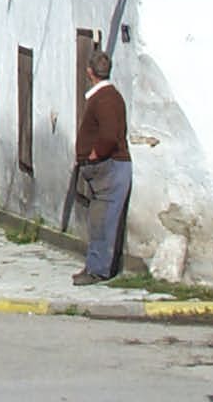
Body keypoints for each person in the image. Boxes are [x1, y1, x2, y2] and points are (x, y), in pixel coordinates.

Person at [72, 49, 132, 285]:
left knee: (103, 219)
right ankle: (95, 265)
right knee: (99, 217)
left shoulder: (105, 98)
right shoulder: (105, 96)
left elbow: (108, 136)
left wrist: (95, 155)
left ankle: (98, 269)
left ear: (89, 72)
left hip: (110, 166)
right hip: (107, 167)